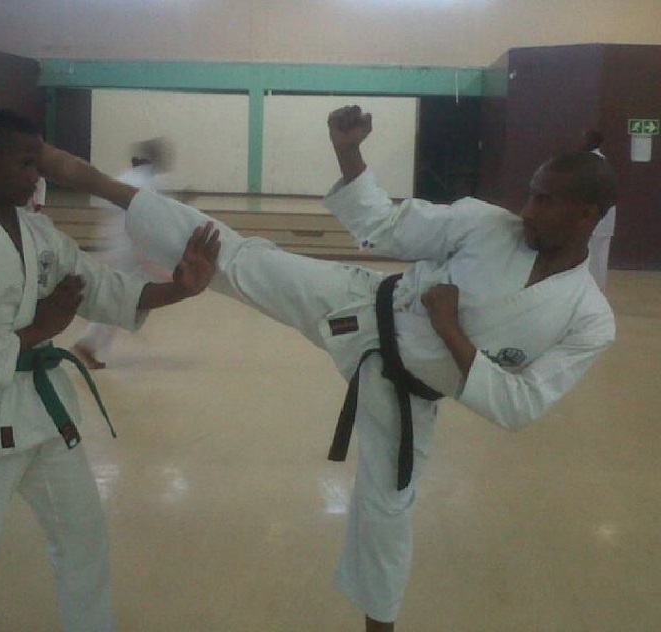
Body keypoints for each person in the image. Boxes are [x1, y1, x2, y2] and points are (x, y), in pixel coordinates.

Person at [38, 105, 617, 632]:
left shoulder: (588, 319)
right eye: (532, 194)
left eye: (546, 200)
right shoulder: (488, 225)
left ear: (587, 213)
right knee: (237, 256)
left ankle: (379, 628)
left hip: (409, 392)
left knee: (388, 508)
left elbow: (519, 406)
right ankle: (94, 181)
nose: (527, 210)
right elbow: (385, 225)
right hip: (361, 305)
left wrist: (451, 330)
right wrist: (349, 152)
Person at [0, 109, 220, 631]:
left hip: (48, 416)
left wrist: (178, 289)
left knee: (83, 538)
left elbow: (103, 287)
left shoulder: (39, 233)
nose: (36, 176)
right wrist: (42, 328)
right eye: (25, 163)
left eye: (38, 163)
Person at [72, 141, 172, 369]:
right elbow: (154, 217)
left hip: (112, 240)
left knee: (118, 297)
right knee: (120, 299)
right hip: (130, 247)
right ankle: (88, 343)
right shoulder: (150, 182)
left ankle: (92, 342)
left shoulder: (123, 177)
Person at [579, 128, 616, 290]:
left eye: (584, 138)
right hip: (598, 217)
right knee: (595, 256)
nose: (581, 142)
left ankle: (595, 288)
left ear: (592, 141)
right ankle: (593, 287)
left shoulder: (595, 163)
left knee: (597, 256)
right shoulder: (595, 161)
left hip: (598, 216)